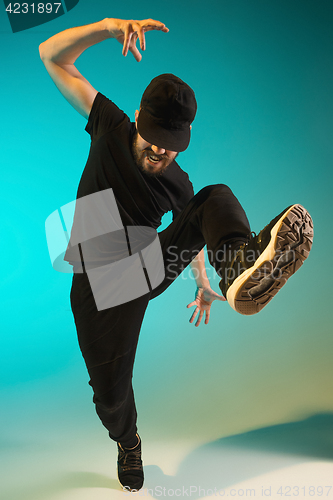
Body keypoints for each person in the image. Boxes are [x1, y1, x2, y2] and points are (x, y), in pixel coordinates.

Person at [39, 17, 313, 492]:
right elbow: (51, 54)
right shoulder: (108, 125)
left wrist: (205, 280)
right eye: (153, 139)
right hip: (95, 289)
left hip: (144, 270)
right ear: (139, 121)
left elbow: (194, 230)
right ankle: (129, 442)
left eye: (171, 145)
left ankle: (239, 264)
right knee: (110, 397)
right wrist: (107, 27)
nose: (160, 151)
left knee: (213, 196)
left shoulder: (176, 180)